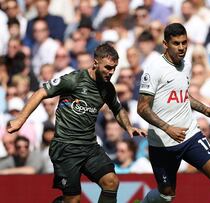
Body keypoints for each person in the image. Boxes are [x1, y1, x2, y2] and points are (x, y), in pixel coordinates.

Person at [7, 43, 147, 203]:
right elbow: (41, 93)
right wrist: (19, 120)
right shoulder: (74, 79)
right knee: (73, 200)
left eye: (114, 68)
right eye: (108, 67)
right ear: (96, 63)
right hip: (65, 147)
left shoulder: (107, 88)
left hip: (89, 146)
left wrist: (128, 127)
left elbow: (118, 109)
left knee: (111, 182)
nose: (111, 72)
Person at [137, 23, 210, 203]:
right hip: (162, 142)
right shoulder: (154, 68)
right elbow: (142, 108)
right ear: (165, 44)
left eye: (184, 43)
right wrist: (168, 128)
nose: (182, 48)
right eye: (176, 43)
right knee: (166, 196)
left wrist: (206, 110)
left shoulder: (186, 65)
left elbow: (182, 95)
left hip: (190, 134)